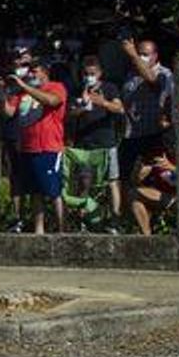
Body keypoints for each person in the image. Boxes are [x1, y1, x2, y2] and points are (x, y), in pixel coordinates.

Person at [4, 58, 68, 233]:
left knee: (54, 191)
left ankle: (62, 229)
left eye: (35, 71)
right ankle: (39, 229)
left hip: (48, 146)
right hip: (27, 147)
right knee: (35, 191)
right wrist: (4, 92)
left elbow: (52, 101)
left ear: (45, 72)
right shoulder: (22, 92)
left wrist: (25, 87)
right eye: (30, 71)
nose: (31, 74)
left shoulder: (56, 87)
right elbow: (9, 112)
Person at [64, 56, 122, 228]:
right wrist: (81, 107)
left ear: (100, 73)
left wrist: (102, 102)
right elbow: (68, 114)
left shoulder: (109, 88)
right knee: (84, 181)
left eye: (92, 73)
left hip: (106, 142)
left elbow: (119, 108)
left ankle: (114, 219)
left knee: (112, 181)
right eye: (85, 74)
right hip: (83, 143)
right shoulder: (77, 90)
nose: (88, 77)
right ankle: (83, 220)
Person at [117, 38, 174, 204]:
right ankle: (125, 213)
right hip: (131, 134)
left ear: (155, 56)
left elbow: (153, 81)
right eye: (139, 53)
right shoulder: (130, 74)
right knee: (124, 177)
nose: (141, 57)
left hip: (153, 134)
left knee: (153, 178)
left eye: (145, 54)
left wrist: (133, 55)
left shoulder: (164, 73)